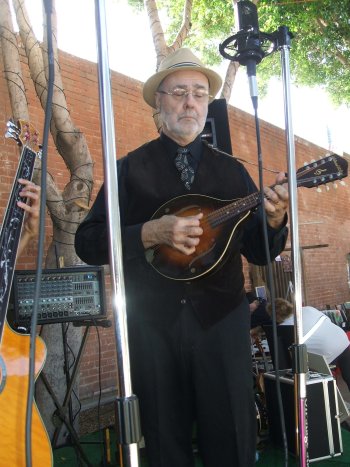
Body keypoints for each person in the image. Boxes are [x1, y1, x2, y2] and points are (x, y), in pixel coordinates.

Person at [75, 48, 289, 467]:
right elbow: (88, 242)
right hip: (152, 326)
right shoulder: (127, 171)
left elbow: (259, 251)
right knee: (162, 439)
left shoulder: (233, 173)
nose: (190, 102)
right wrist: (149, 233)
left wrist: (276, 219)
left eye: (198, 93)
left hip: (222, 322)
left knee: (231, 435)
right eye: (178, 93)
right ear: (160, 102)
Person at [267, 298, 350, 391]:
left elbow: (288, 353)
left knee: (323, 384)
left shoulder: (284, 327)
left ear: (275, 316)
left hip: (326, 352)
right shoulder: (308, 309)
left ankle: (332, 401)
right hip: (342, 339)